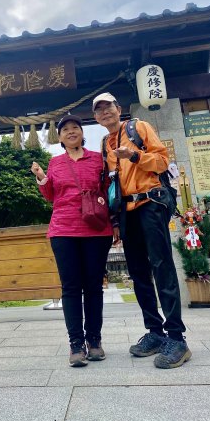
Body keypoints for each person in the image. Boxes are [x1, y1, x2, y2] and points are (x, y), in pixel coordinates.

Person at [92, 92, 191, 369]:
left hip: (150, 202)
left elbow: (162, 162)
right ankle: (155, 332)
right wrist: (113, 221)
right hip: (126, 212)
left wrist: (135, 155)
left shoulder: (139, 127)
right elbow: (110, 186)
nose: (105, 113)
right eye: (99, 110)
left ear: (118, 108)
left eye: (108, 107)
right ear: (96, 118)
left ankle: (177, 338)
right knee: (137, 272)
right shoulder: (104, 144)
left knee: (162, 266)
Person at [31, 114, 114, 367]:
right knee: (70, 288)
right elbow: (50, 196)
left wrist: (116, 224)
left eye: (75, 128)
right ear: (60, 137)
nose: (70, 131)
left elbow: (108, 191)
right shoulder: (55, 162)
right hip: (63, 230)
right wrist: (42, 177)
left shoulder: (98, 160)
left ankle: (95, 341)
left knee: (93, 287)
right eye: (65, 129)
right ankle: (76, 344)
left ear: (81, 133)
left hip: (96, 230)